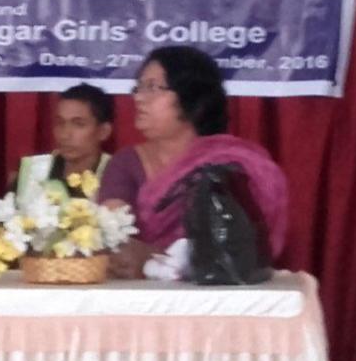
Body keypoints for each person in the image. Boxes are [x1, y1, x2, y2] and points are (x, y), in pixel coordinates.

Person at [96, 45, 289, 279]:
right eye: (139, 87)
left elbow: (239, 248)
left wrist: (155, 259)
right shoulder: (126, 163)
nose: (138, 98)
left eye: (153, 87)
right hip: (143, 294)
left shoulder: (231, 162)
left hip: (223, 293)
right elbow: (113, 238)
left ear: (191, 98)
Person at [13, 83, 115, 202]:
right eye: (60, 123)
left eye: (79, 124)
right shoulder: (32, 171)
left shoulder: (118, 176)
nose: (65, 135)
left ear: (103, 131)